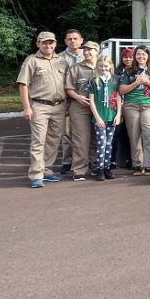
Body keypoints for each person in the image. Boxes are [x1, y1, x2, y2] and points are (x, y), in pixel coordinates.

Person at [18, 31, 67, 188]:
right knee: (39, 141)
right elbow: (23, 84)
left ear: (55, 43)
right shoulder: (32, 61)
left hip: (59, 106)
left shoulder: (61, 60)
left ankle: (47, 170)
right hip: (39, 106)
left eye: (51, 42)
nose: (48, 45)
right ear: (38, 44)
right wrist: (27, 107)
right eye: (44, 42)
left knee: (53, 140)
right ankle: (36, 174)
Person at [119, 45, 150, 176]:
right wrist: (137, 82)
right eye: (138, 54)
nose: (141, 57)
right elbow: (121, 90)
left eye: (144, 54)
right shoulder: (129, 71)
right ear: (135, 56)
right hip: (131, 105)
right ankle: (138, 165)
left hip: (148, 105)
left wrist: (148, 83)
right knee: (134, 135)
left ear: (148, 56)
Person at [63, 40, 99, 180]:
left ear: (97, 51)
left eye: (90, 50)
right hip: (80, 107)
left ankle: (96, 165)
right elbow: (68, 88)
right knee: (81, 139)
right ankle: (79, 169)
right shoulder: (76, 68)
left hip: (99, 107)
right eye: (85, 50)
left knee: (97, 138)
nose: (87, 52)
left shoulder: (103, 66)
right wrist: (78, 97)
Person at [87, 54, 120, 181]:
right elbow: (91, 100)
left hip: (112, 115)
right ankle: (99, 169)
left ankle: (107, 167)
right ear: (97, 66)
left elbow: (118, 97)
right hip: (100, 116)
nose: (103, 68)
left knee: (109, 143)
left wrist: (118, 114)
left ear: (110, 66)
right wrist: (97, 117)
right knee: (101, 143)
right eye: (101, 66)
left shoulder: (115, 79)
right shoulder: (93, 80)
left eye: (106, 66)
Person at [58, 29, 84, 174]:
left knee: (84, 133)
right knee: (67, 132)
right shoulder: (59, 58)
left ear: (81, 40)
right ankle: (67, 161)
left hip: (85, 98)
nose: (73, 41)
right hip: (66, 99)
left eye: (75, 38)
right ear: (65, 41)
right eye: (70, 39)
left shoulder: (87, 55)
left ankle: (85, 160)